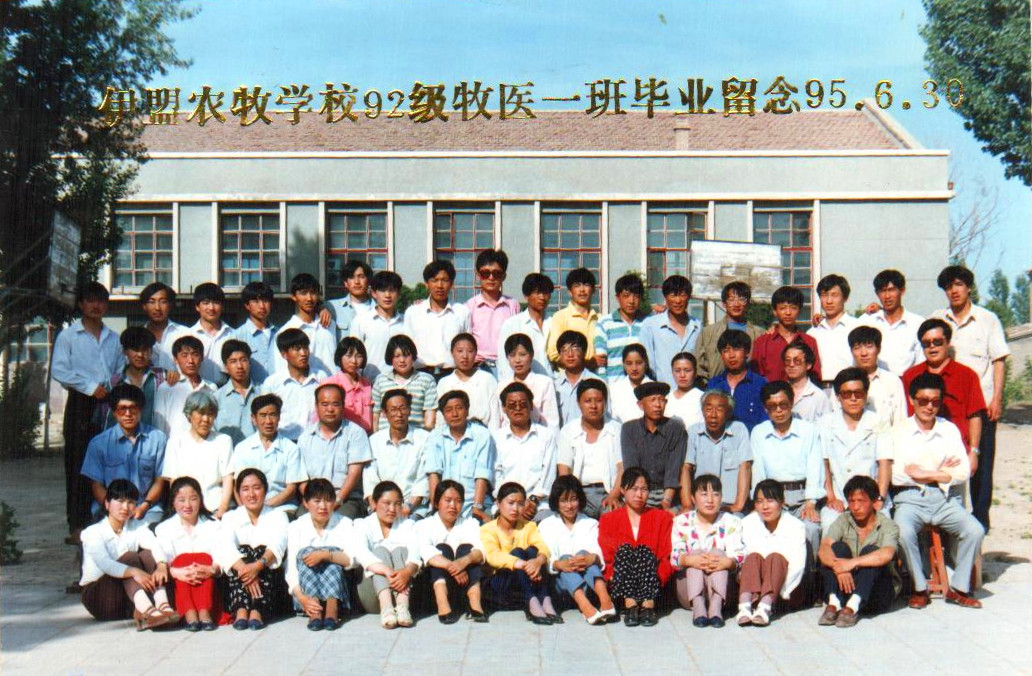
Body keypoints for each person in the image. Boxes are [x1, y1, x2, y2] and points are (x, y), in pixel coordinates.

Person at [891, 372, 984, 610]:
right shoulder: (899, 431)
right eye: (923, 400)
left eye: (935, 401)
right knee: (902, 531)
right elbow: (895, 475)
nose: (929, 407)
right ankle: (919, 588)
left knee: (974, 530)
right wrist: (942, 472)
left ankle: (959, 588)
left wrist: (924, 473)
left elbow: (963, 471)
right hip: (910, 499)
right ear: (912, 400)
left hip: (944, 499)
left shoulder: (949, 429)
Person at [930, 265, 1010, 531]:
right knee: (945, 467)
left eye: (958, 285)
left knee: (981, 471)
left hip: (980, 408)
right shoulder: (937, 319)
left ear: (969, 288)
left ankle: (979, 528)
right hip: (946, 410)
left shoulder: (987, 320)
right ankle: (947, 528)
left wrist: (996, 398)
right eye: (948, 287)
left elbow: (998, 361)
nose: (953, 291)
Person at [52, 281, 124, 540]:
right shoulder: (69, 336)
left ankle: (107, 521)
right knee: (78, 465)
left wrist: (111, 386)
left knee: (109, 461)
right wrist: (90, 387)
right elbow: (59, 370)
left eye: (101, 301)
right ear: (81, 304)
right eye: (90, 300)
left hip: (109, 401)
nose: (96, 305)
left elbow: (120, 368)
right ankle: (77, 525)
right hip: (81, 403)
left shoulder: (113, 337)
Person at [79, 479, 173, 628]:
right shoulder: (92, 532)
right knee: (129, 558)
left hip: (126, 598)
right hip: (100, 598)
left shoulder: (136, 526)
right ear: (107, 504)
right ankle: (148, 611)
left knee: (148, 555)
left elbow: (155, 544)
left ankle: (162, 605)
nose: (125, 507)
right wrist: (134, 571)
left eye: (131, 502)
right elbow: (105, 564)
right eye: (120, 501)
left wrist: (162, 565)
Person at [750, 381, 823, 565]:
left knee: (811, 529)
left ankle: (810, 577)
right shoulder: (759, 432)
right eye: (772, 406)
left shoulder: (808, 430)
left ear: (791, 403)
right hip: (771, 497)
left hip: (802, 497)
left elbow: (815, 467)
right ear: (765, 409)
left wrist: (811, 502)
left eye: (783, 404)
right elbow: (758, 471)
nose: (779, 410)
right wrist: (761, 502)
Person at [817, 475, 899, 628]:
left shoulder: (887, 525)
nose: (855, 507)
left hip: (876, 595)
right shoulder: (843, 520)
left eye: (861, 501)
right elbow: (824, 547)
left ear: (873, 501)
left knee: (871, 551)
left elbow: (887, 553)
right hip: (847, 588)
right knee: (837, 548)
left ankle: (852, 608)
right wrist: (839, 568)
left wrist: (851, 563)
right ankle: (834, 604)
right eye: (851, 501)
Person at [819, 368, 893, 533]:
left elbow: (885, 463)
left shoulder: (878, 421)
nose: (853, 398)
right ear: (838, 397)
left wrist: (879, 498)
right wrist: (831, 497)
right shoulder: (825, 423)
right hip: (839, 497)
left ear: (866, 395)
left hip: (872, 497)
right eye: (847, 394)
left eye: (858, 393)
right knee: (830, 527)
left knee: (883, 530)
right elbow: (824, 464)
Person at [598, 468, 674, 627]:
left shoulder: (662, 518)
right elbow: (607, 558)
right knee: (625, 551)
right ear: (622, 490)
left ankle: (648, 606)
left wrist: (656, 580)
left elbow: (666, 557)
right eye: (634, 489)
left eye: (644, 489)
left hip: (653, 585)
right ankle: (630, 605)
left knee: (644, 551)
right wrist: (615, 578)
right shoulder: (608, 520)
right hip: (621, 585)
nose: (639, 495)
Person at [81, 383, 167, 524]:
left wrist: (144, 506)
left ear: (141, 410)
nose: (128, 414)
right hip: (109, 510)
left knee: (148, 534)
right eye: (122, 409)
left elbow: (159, 481)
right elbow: (97, 485)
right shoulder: (98, 444)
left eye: (133, 408)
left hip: (146, 510)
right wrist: (114, 510)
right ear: (114, 412)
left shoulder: (158, 440)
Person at [903, 319, 985, 465]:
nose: (932, 347)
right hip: (919, 452)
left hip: (956, 454)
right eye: (926, 343)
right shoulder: (910, 376)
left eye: (937, 342)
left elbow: (975, 416)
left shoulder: (967, 375)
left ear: (948, 342)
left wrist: (974, 452)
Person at [538, 475, 617, 624]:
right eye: (563, 500)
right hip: (562, 587)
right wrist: (559, 564)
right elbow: (546, 555)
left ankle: (605, 600)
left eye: (573, 499)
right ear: (556, 502)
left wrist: (591, 558)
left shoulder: (590, 523)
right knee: (564, 558)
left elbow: (598, 553)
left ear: (579, 499)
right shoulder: (546, 525)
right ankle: (585, 606)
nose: (569, 506)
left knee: (584, 553)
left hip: (590, 584)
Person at [218, 468, 290, 630]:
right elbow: (226, 547)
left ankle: (258, 609)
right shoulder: (230, 517)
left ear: (266, 489)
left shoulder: (278, 516)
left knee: (260, 551)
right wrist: (247, 570)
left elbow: (277, 546)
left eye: (257, 488)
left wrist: (256, 567)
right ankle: (241, 609)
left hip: (269, 579)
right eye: (245, 489)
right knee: (242, 552)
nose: (251, 494)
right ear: (238, 493)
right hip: (239, 579)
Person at [671, 474, 745, 627]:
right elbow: (675, 557)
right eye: (704, 494)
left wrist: (727, 562)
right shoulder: (681, 522)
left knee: (717, 552)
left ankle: (716, 607)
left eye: (715, 494)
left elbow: (739, 555)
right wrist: (690, 560)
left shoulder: (732, 522)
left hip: (725, 592)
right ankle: (698, 607)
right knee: (696, 553)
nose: (710, 500)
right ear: (693, 498)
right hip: (688, 592)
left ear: (721, 497)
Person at [480, 482, 558, 624]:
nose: (515, 509)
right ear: (498, 504)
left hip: (525, 580)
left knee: (533, 550)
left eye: (521, 504)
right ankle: (533, 601)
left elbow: (542, 547)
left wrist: (538, 561)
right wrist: (522, 564)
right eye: (510, 503)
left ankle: (545, 600)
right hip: (501, 582)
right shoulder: (488, 529)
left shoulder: (529, 526)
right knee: (518, 552)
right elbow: (493, 556)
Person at [154, 476, 226, 631]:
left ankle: (205, 611)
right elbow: (162, 559)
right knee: (183, 559)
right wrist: (177, 572)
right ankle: (189, 612)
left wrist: (211, 569)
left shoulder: (214, 526)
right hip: (179, 588)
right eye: (181, 500)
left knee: (203, 558)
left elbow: (221, 557)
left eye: (193, 499)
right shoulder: (163, 528)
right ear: (173, 502)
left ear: (200, 500)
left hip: (209, 586)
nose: (187, 505)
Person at [286, 478, 355, 631]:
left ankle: (332, 609)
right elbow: (291, 568)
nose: (323, 506)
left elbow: (352, 560)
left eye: (328, 501)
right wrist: (302, 597)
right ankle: (315, 611)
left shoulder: (345, 523)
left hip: (338, 592)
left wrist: (327, 555)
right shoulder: (296, 527)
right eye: (317, 501)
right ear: (306, 503)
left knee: (331, 555)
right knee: (305, 553)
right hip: (305, 594)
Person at [351, 481, 422, 628]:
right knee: (380, 551)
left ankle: (402, 607)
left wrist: (407, 572)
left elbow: (415, 552)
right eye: (386, 503)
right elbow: (360, 552)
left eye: (397, 504)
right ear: (374, 503)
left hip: (405, 591)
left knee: (401, 550)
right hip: (374, 595)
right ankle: (386, 607)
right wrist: (385, 570)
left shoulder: (408, 525)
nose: (392, 509)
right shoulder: (362, 525)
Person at [736, 480, 808, 627]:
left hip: (784, 591)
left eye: (770, 501)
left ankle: (765, 607)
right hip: (753, 591)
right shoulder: (747, 523)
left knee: (775, 557)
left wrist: (777, 590)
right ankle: (744, 607)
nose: (765, 507)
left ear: (782, 502)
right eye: (759, 501)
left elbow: (797, 566)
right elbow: (742, 558)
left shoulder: (796, 526)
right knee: (753, 557)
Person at [415, 480, 488, 623]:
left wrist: (463, 561)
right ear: (437, 503)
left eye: (458, 501)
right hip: (434, 586)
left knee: (467, 549)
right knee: (442, 549)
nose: (453, 506)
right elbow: (425, 551)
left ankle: (474, 602)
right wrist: (452, 567)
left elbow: (480, 551)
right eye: (448, 500)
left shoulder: (470, 523)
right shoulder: (424, 525)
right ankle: (442, 603)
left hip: (465, 583)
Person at [297, 383, 372, 518]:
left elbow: (354, 474)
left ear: (343, 406)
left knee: (341, 519)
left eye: (335, 404)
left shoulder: (356, 433)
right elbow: (302, 477)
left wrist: (337, 500)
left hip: (347, 499)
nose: (330, 409)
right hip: (315, 499)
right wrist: (312, 500)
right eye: (324, 404)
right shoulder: (305, 437)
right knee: (302, 517)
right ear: (316, 407)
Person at [161, 389, 234, 519]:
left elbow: (228, 479)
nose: (206, 419)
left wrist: (222, 510)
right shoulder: (175, 442)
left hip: (215, 508)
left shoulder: (223, 441)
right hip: (186, 510)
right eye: (201, 413)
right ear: (189, 414)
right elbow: (174, 482)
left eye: (210, 414)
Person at [492, 382, 559, 522]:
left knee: (549, 524)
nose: (517, 409)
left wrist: (533, 501)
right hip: (505, 505)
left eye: (522, 404)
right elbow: (496, 476)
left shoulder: (546, 436)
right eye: (512, 405)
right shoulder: (496, 439)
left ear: (531, 405)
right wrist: (512, 503)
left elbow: (548, 475)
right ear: (504, 408)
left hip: (538, 506)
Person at [424, 390, 496, 520]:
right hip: (444, 505)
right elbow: (434, 474)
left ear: (467, 410)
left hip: (474, 503)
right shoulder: (435, 436)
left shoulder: (482, 435)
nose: (455, 414)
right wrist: (437, 507)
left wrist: (477, 508)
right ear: (443, 415)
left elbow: (482, 474)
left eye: (459, 408)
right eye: (449, 410)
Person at [557, 380, 624, 518]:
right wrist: (571, 498)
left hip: (608, 492)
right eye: (587, 401)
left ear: (605, 402)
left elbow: (622, 468)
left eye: (599, 401)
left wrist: (614, 495)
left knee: (614, 517)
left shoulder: (617, 429)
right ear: (579, 403)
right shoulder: (568, 431)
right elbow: (564, 470)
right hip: (579, 494)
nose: (593, 406)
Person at [231, 394, 307, 513]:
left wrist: (264, 508)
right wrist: (245, 511)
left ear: (279, 417)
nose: (268, 421)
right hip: (249, 510)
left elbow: (291, 489)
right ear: (253, 419)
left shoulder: (291, 448)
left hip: (282, 509)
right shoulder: (242, 448)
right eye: (263, 415)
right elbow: (237, 486)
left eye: (272, 415)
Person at [681, 390, 752, 514]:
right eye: (708, 409)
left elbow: (745, 466)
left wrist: (738, 505)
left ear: (728, 413)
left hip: (730, 506)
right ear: (702, 411)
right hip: (701, 506)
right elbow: (686, 468)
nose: (713, 415)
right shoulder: (693, 432)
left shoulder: (739, 430)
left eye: (719, 410)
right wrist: (687, 504)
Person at [620, 382, 687, 511]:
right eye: (652, 400)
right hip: (638, 491)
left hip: (667, 493)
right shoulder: (629, 429)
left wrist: (666, 501)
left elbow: (673, 469)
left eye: (662, 400)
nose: (658, 405)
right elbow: (631, 469)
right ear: (640, 405)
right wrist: (640, 497)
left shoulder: (676, 428)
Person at [365, 389, 431, 519]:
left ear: (409, 410)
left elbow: (423, 480)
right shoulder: (374, 441)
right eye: (393, 409)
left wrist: (407, 509)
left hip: (413, 509)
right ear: (384, 413)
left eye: (403, 408)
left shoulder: (424, 439)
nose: (399, 414)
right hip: (381, 509)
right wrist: (377, 508)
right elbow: (370, 479)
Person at [404, 259, 472, 378]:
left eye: (445, 280)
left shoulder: (461, 312)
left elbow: (468, 346)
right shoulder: (413, 313)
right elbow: (406, 348)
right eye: (434, 280)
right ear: (426, 284)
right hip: (420, 375)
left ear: (451, 284)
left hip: (452, 375)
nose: (440, 286)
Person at [262, 328, 329, 442]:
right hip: (284, 441)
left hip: (315, 440)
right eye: (297, 349)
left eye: (305, 348)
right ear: (284, 354)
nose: (303, 353)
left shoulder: (321, 377)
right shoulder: (272, 383)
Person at [857, 269, 924, 376]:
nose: (887, 296)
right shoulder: (867, 321)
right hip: (873, 381)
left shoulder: (917, 323)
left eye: (891, 290)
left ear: (902, 290)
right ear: (877, 293)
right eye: (882, 291)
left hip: (906, 382)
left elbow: (921, 361)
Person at [100, 326, 169, 430]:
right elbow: (106, 419)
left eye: (144, 350)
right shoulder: (114, 383)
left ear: (151, 351)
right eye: (135, 350)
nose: (140, 355)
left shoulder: (163, 377)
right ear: (124, 351)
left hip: (155, 438)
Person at [639, 275, 701, 388]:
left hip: (691, 392)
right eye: (673, 295)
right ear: (665, 297)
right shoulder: (651, 325)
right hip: (661, 392)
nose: (678, 300)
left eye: (682, 295)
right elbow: (647, 363)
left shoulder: (697, 326)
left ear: (689, 297)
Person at [465, 249, 520, 373]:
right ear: (478, 275)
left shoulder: (512, 305)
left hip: (506, 367)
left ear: (504, 276)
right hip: (478, 367)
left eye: (496, 273)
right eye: (485, 273)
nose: (491, 278)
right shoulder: (469, 307)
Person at [752, 286, 822, 383]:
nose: (788, 313)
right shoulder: (762, 342)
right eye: (782, 308)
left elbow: (815, 376)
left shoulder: (809, 342)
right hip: (771, 392)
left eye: (793, 308)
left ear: (800, 311)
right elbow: (755, 377)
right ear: (775, 311)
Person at [695, 281, 764, 379]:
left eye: (742, 299)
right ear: (724, 303)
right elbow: (699, 366)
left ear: (748, 303)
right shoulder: (707, 333)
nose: (736, 304)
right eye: (731, 300)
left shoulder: (759, 334)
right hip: (716, 386)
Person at [274, 273, 339, 375]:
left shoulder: (330, 324)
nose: (309, 298)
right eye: (303, 293)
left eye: (313, 293)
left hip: (333, 382)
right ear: (294, 296)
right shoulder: (285, 331)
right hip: (306, 383)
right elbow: (281, 369)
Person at [153, 335, 217, 437]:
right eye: (184, 355)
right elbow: (158, 424)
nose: (190, 361)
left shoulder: (211, 388)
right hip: (175, 444)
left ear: (202, 357)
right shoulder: (167, 388)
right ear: (175, 359)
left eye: (195, 354)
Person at [371, 334, 438, 431]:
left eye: (406, 355)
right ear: (390, 358)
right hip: (385, 435)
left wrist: (425, 436)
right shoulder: (380, 380)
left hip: (416, 435)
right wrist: (376, 436)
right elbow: (376, 414)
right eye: (397, 356)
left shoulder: (426, 380)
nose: (402, 360)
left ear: (413, 356)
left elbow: (430, 414)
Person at [497, 332, 561, 432]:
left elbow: (551, 423)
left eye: (522, 355)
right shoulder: (501, 386)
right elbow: (498, 421)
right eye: (512, 355)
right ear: (507, 357)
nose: (517, 360)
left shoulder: (545, 383)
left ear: (531, 355)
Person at [496, 272, 555, 380]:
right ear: (526, 296)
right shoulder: (512, 324)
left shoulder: (554, 323)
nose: (542, 297)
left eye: (546, 293)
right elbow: (503, 361)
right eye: (537, 293)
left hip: (552, 383)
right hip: (522, 384)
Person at [437, 333, 502, 428]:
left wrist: (491, 435)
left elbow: (495, 416)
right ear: (452, 353)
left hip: (482, 430)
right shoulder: (444, 383)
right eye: (460, 351)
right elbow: (440, 418)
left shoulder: (487, 379)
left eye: (470, 351)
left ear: (476, 353)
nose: (465, 356)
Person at [707, 330, 769, 431]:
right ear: (721, 355)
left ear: (747, 352)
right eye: (726, 350)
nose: (731, 355)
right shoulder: (714, 384)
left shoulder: (760, 384)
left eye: (736, 349)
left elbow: (766, 423)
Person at [846, 325, 907, 426]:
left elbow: (900, 421)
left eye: (869, 347)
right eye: (857, 348)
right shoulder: (844, 381)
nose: (864, 353)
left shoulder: (892, 382)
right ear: (851, 351)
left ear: (878, 349)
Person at [349, 270, 405, 380]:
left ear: (398, 293)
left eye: (392, 290)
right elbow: (353, 354)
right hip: (370, 383)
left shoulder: (406, 321)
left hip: (401, 383)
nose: (387, 295)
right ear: (374, 293)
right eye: (382, 290)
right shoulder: (361, 320)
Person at [594, 273, 648, 380]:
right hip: (613, 386)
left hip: (643, 386)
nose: (631, 301)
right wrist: (605, 386)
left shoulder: (648, 323)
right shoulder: (604, 323)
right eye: (626, 295)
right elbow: (601, 363)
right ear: (618, 297)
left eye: (636, 296)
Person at [807, 274, 858, 386]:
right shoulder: (812, 333)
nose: (829, 301)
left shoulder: (857, 327)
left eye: (834, 295)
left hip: (849, 388)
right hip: (819, 388)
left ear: (845, 298)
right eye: (824, 295)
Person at [546, 267, 601, 368]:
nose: (582, 290)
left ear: (593, 290)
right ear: (569, 291)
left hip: (597, 375)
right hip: (569, 375)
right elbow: (553, 353)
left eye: (586, 285)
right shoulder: (560, 317)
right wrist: (586, 363)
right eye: (577, 285)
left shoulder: (600, 319)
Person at [320, 336, 375, 434]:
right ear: (340, 357)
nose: (354, 361)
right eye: (349, 355)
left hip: (366, 437)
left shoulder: (367, 385)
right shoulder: (329, 384)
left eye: (358, 356)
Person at [553, 330, 606, 427]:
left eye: (575, 348)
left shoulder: (598, 383)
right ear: (559, 354)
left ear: (584, 352)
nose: (570, 354)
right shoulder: (554, 385)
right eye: (564, 350)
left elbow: (606, 416)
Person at [188, 282, 233, 386]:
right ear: (197, 306)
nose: (211, 308)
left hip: (225, 390)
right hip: (196, 390)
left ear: (222, 306)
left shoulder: (233, 335)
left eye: (216, 303)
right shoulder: (188, 335)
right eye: (206, 303)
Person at [213, 339, 258, 446]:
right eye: (233, 361)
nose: (239, 366)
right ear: (226, 367)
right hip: (228, 453)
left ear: (250, 363)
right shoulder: (216, 398)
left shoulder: (264, 392)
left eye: (243, 360)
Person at [234, 280, 278, 384]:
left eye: (265, 301)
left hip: (278, 391)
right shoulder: (237, 336)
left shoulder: (280, 334)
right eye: (256, 301)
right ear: (247, 305)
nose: (262, 306)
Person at [139, 281, 188, 372]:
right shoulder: (136, 336)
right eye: (152, 302)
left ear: (170, 305)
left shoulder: (184, 333)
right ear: (144, 306)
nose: (157, 308)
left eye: (163, 302)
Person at [784, 341, 831, 423]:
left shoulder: (819, 396)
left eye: (797, 361)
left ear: (808, 365)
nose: (791, 365)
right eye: (788, 360)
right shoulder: (779, 393)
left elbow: (827, 426)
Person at [326, 260, 375, 335]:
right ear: (345, 283)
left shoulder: (379, 309)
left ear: (368, 281)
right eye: (352, 277)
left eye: (362, 277)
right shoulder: (332, 307)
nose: (357, 282)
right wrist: (321, 309)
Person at [608, 343, 654, 423]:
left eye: (639, 363)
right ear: (623, 364)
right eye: (629, 363)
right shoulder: (614, 389)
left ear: (646, 363)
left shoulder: (654, 388)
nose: (634, 368)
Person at [664, 352, 704, 429]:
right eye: (677, 371)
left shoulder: (702, 398)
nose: (682, 375)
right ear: (672, 372)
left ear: (695, 372)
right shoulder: (667, 397)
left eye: (687, 370)